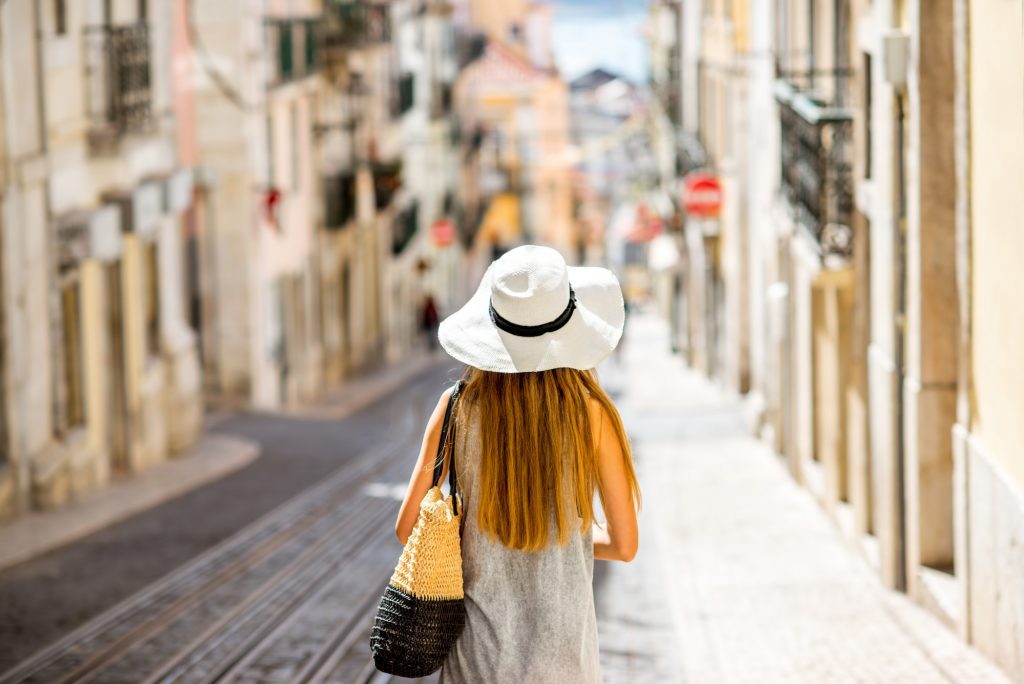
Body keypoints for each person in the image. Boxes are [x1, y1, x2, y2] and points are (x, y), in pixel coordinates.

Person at [395, 245, 641, 684]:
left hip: (476, 660)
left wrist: (477, 536)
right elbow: (624, 545)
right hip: (566, 661)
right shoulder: (592, 414)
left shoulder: (455, 408)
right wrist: (566, 539)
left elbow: (406, 527)